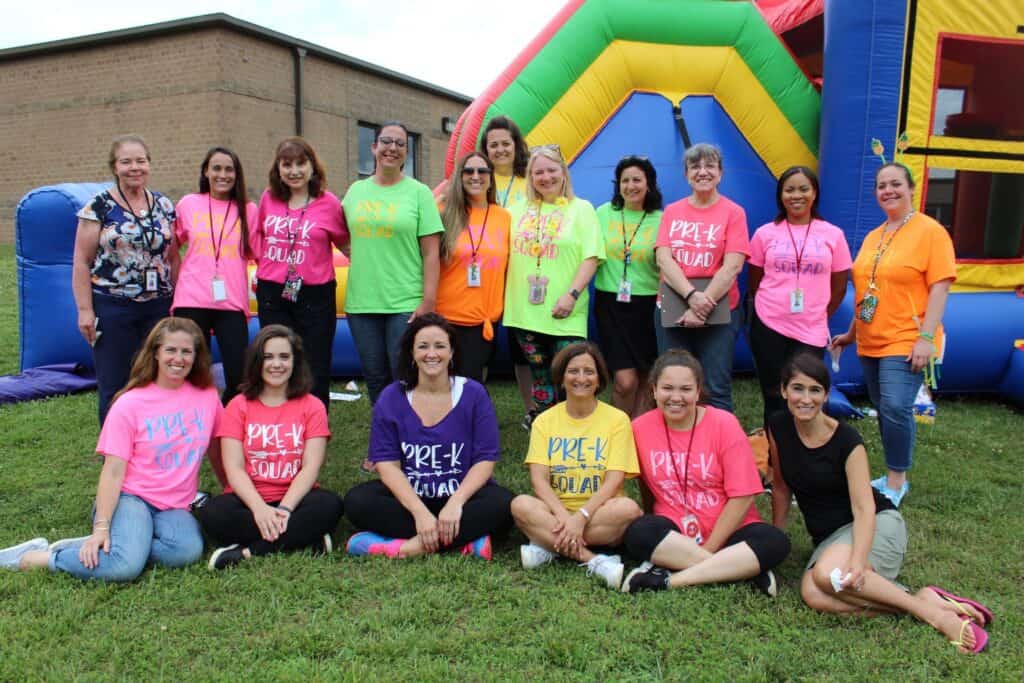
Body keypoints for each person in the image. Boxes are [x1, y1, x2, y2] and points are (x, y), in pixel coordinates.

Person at [768, 353, 988, 653]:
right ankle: (919, 600)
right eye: (797, 388)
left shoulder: (847, 440)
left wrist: (858, 560)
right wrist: (777, 540)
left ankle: (935, 615)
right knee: (814, 595)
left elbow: (864, 508)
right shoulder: (777, 426)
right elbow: (781, 487)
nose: (805, 398)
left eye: (815, 390)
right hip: (830, 538)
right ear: (783, 391)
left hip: (875, 523)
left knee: (823, 576)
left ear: (826, 394)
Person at [0, 318, 221, 581]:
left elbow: (217, 448)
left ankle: (125, 542)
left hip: (174, 506)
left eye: (187, 351)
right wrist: (102, 526)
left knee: (185, 551)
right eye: (170, 350)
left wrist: (231, 489)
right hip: (132, 498)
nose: (179, 358)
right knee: (123, 567)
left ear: (196, 357)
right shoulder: (130, 403)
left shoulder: (207, 397)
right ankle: (38, 557)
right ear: (156, 353)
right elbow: (113, 471)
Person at [830, 163, 955, 506]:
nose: (888, 190)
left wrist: (926, 339)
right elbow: (868, 293)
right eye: (882, 185)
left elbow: (940, 287)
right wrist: (851, 334)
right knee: (884, 406)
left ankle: (897, 480)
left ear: (911, 188)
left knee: (897, 405)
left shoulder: (930, 232)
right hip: (872, 338)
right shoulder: (875, 235)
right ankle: (891, 472)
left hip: (907, 335)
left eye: (896, 184)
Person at [344, 313, 514, 559]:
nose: (431, 354)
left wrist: (456, 504)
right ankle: (465, 542)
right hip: (411, 498)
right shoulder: (392, 396)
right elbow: (387, 465)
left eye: (440, 346)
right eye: (423, 346)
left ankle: (399, 548)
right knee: (358, 501)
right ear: (412, 353)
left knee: (504, 504)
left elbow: (485, 460)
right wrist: (419, 513)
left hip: (461, 498)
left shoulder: (474, 393)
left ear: (452, 352)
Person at [620, 349, 790, 594]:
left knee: (775, 541)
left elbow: (742, 497)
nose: (676, 397)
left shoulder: (724, 423)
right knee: (639, 531)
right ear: (654, 389)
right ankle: (739, 571)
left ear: (698, 391)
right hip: (675, 532)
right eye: (667, 388)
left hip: (732, 531)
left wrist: (710, 547)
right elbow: (641, 486)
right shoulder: (639, 429)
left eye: (686, 389)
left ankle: (666, 580)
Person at [198, 325, 343, 569]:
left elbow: (310, 467)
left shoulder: (313, 405)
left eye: (284, 357)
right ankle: (305, 540)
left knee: (330, 505)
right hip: (247, 501)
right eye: (268, 357)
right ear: (257, 362)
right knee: (213, 514)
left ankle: (247, 553)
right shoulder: (237, 405)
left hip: (296, 500)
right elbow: (234, 469)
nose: (277, 364)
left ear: (295, 362)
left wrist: (285, 508)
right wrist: (259, 509)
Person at [510, 342, 642, 588]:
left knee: (629, 509)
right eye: (573, 371)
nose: (581, 378)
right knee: (520, 505)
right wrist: (564, 517)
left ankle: (548, 546)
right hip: (555, 513)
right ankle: (592, 560)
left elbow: (614, 481)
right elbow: (539, 481)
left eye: (589, 371)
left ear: (600, 378)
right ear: (561, 377)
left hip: (599, 513)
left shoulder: (617, 420)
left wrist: (580, 518)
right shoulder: (545, 421)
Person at [72, 134, 178, 424]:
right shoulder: (99, 207)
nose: (135, 167)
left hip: (158, 305)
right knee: (115, 383)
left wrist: (178, 302)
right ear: (114, 167)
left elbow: (173, 257)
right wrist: (85, 310)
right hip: (113, 306)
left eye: (141, 161)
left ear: (149, 164)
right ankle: (115, 456)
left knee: (157, 378)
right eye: (126, 161)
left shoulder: (165, 205)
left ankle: (153, 446)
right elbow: (82, 261)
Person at [342, 122, 444, 406]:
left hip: (405, 303)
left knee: (405, 375)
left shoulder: (419, 193)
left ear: (406, 154)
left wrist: (429, 301)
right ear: (374, 147)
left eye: (400, 144)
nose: (393, 148)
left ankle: (410, 438)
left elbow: (431, 253)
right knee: (375, 377)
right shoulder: (355, 192)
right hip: (362, 303)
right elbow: (341, 234)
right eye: (386, 141)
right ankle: (385, 443)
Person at [503, 146, 605, 420]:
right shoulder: (515, 211)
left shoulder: (581, 209)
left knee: (572, 375)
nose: (545, 177)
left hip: (566, 310)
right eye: (538, 172)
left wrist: (571, 295)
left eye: (551, 170)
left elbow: (592, 257)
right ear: (530, 176)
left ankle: (580, 428)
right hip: (525, 312)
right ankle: (545, 434)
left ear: (563, 173)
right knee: (540, 378)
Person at [748, 166, 851, 426]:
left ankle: (804, 454)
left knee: (805, 396)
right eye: (789, 189)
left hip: (811, 328)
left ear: (814, 193)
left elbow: (839, 285)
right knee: (773, 394)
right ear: (781, 195)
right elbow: (755, 281)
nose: (797, 195)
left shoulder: (833, 235)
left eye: (803, 189)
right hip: (768, 323)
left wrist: (819, 314)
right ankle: (776, 458)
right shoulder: (764, 233)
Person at [255, 137, 349, 409]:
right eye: (287, 164)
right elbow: (260, 236)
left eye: (300, 163)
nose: (294, 171)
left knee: (315, 362)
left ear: (312, 167)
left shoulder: (328, 202)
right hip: (272, 290)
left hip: (315, 294)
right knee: (276, 359)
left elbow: (345, 244)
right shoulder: (268, 198)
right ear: (278, 168)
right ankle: (281, 420)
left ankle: (315, 427)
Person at [655, 143, 749, 412]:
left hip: (719, 309)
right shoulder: (672, 211)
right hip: (674, 305)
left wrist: (704, 304)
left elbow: (732, 266)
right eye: (695, 166)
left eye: (710, 165)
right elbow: (664, 258)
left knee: (716, 387)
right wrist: (691, 297)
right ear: (686, 174)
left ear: (720, 173)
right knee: (672, 384)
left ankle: (718, 451)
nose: (703, 171)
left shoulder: (734, 213)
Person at [172, 146, 259, 404]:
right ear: (206, 172)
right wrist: (178, 283)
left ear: (237, 174)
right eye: (217, 168)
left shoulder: (248, 210)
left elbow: (260, 253)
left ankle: (227, 428)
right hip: (191, 299)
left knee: (238, 376)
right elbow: (170, 249)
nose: (223, 174)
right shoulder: (188, 204)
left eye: (229, 169)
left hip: (231, 301)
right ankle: (194, 426)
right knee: (192, 373)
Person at [594, 155, 664, 417]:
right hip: (611, 304)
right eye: (625, 180)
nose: (631, 186)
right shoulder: (603, 213)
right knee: (625, 381)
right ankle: (619, 433)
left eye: (637, 179)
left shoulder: (661, 219)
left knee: (647, 378)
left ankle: (640, 436)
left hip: (649, 304)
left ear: (649, 184)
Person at [435, 152, 511, 382]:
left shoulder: (504, 217)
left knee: (471, 382)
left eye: (482, 171)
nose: (475, 176)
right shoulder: (443, 212)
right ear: (460, 176)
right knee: (448, 382)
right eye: (469, 171)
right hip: (446, 315)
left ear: (490, 178)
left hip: (485, 319)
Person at [480, 115, 535, 428]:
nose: (500, 150)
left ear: (516, 146)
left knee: (522, 348)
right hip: (484, 274)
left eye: (505, 143)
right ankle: (477, 409)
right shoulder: (477, 175)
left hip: (521, 274)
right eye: (493, 145)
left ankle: (531, 410)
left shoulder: (530, 178)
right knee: (480, 346)